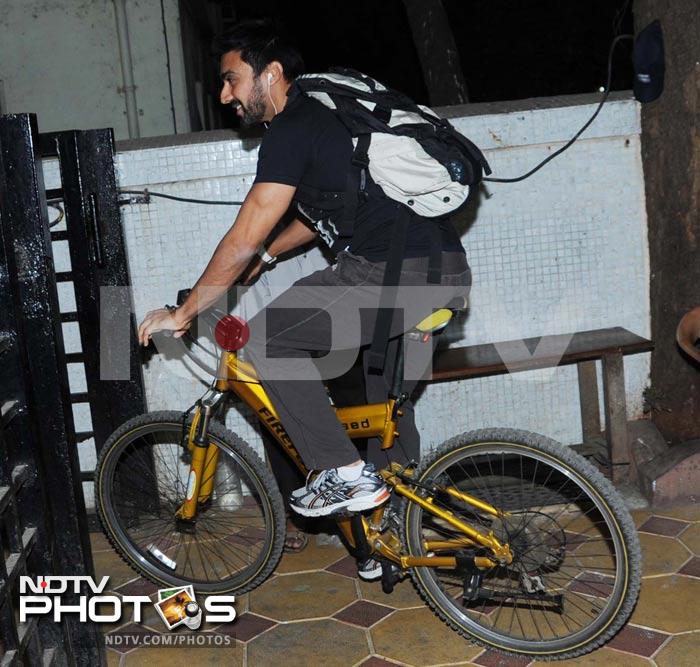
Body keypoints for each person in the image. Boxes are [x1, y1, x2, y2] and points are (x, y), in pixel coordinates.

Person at [138, 19, 470, 522]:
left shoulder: (293, 128)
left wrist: (183, 313)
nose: (225, 95)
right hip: (441, 271)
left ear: (269, 74)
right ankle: (401, 536)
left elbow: (246, 231)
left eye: (231, 79)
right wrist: (267, 259)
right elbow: (321, 217)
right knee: (387, 418)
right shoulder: (327, 118)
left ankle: (340, 472)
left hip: (389, 275)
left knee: (267, 338)